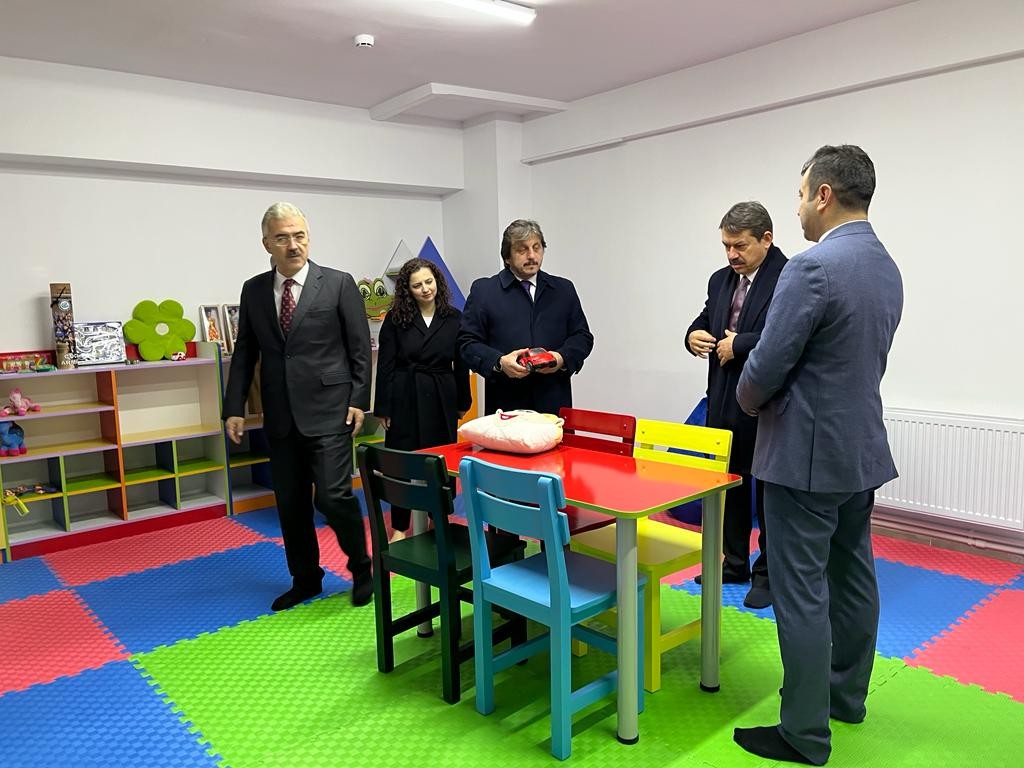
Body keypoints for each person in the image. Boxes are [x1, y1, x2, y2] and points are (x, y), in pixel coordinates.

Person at [734, 145, 903, 765]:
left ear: (824, 195)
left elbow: (765, 367)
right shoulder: (886, 265)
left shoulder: (812, 268)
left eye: (802, 194)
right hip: (859, 451)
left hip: (803, 458)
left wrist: (746, 399)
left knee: (800, 591)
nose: (799, 207)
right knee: (853, 576)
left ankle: (803, 733)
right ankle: (846, 697)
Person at [223, 202, 373, 611]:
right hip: (280, 413)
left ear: (308, 237)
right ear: (266, 244)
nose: (293, 245)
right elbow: (245, 351)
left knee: (333, 496)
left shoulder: (338, 283)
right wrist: (234, 407)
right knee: (290, 503)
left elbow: (359, 347)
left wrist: (359, 400)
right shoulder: (254, 289)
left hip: (331, 409)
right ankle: (305, 578)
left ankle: (362, 567)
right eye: (283, 237)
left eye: (299, 235)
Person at [685, 201, 787, 610]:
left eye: (740, 246)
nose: (731, 254)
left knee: (769, 494)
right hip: (724, 397)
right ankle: (735, 562)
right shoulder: (721, 279)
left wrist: (738, 344)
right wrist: (692, 335)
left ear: (766, 239)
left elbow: (788, 335)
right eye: (726, 245)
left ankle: (768, 574)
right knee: (731, 483)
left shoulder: (789, 276)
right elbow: (706, 318)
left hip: (768, 401)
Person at [373, 257, 472, 539]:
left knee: (440, 461)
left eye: (429, 282)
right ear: (408, 289)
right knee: (402, 461)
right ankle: (400, 526)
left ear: (437, 282)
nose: (425, 289)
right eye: (417, 285)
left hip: (442, 393)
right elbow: (386, 365)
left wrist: (462, 402)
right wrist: (383, 407)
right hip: (404, 393)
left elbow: (461, 364)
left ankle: (437, 517)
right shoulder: (396, 318)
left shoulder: (454, 317)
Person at [458, 219, 593, 414]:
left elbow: (582, 336)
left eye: (536, 248)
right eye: (522, 250)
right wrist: (499, 362)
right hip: (506, 403)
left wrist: (561, 357)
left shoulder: (563, 289)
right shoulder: (484, 291)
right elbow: (467, 343)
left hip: (553, 400)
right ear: (507, 257)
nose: (531, 256)